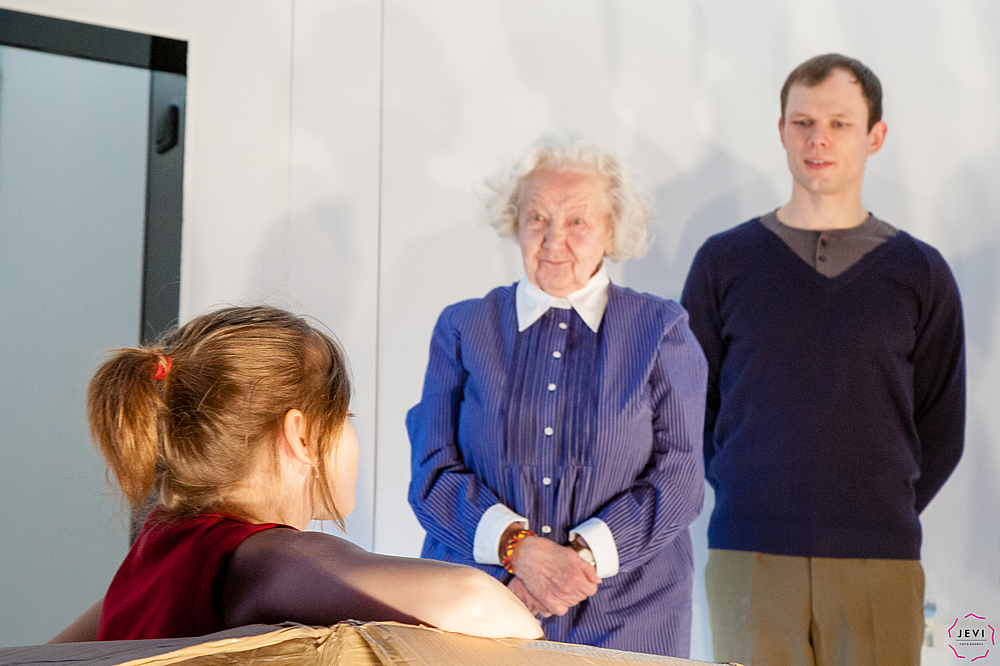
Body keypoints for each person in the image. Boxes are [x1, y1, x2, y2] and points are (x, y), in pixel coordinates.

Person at [681, 54, 965, 665]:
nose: (819, 139)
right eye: (803, 122)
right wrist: (750, 489)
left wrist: (875, 507)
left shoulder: (920, 272)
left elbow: (942, 425)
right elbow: (688, 407)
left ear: (874, 136)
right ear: (781, 131)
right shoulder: (724, 262)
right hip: (750, 553)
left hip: (880, 558)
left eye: (840, 123)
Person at [50, 305, 542, 643]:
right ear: (301, 435)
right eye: (345, 417)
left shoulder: (157, 547)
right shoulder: (260, 559)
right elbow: (478, 602)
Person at [407, 138, 707, 657]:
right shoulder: (463, 326)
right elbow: (431, 473)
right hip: (483, 608)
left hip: (631, 617)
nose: (553, 240)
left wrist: (571, 566)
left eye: (577, 221)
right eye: (537, 218)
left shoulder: (661, 329)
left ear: (612, 228)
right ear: (515, 222)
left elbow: (679, 479)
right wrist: (518, 553)